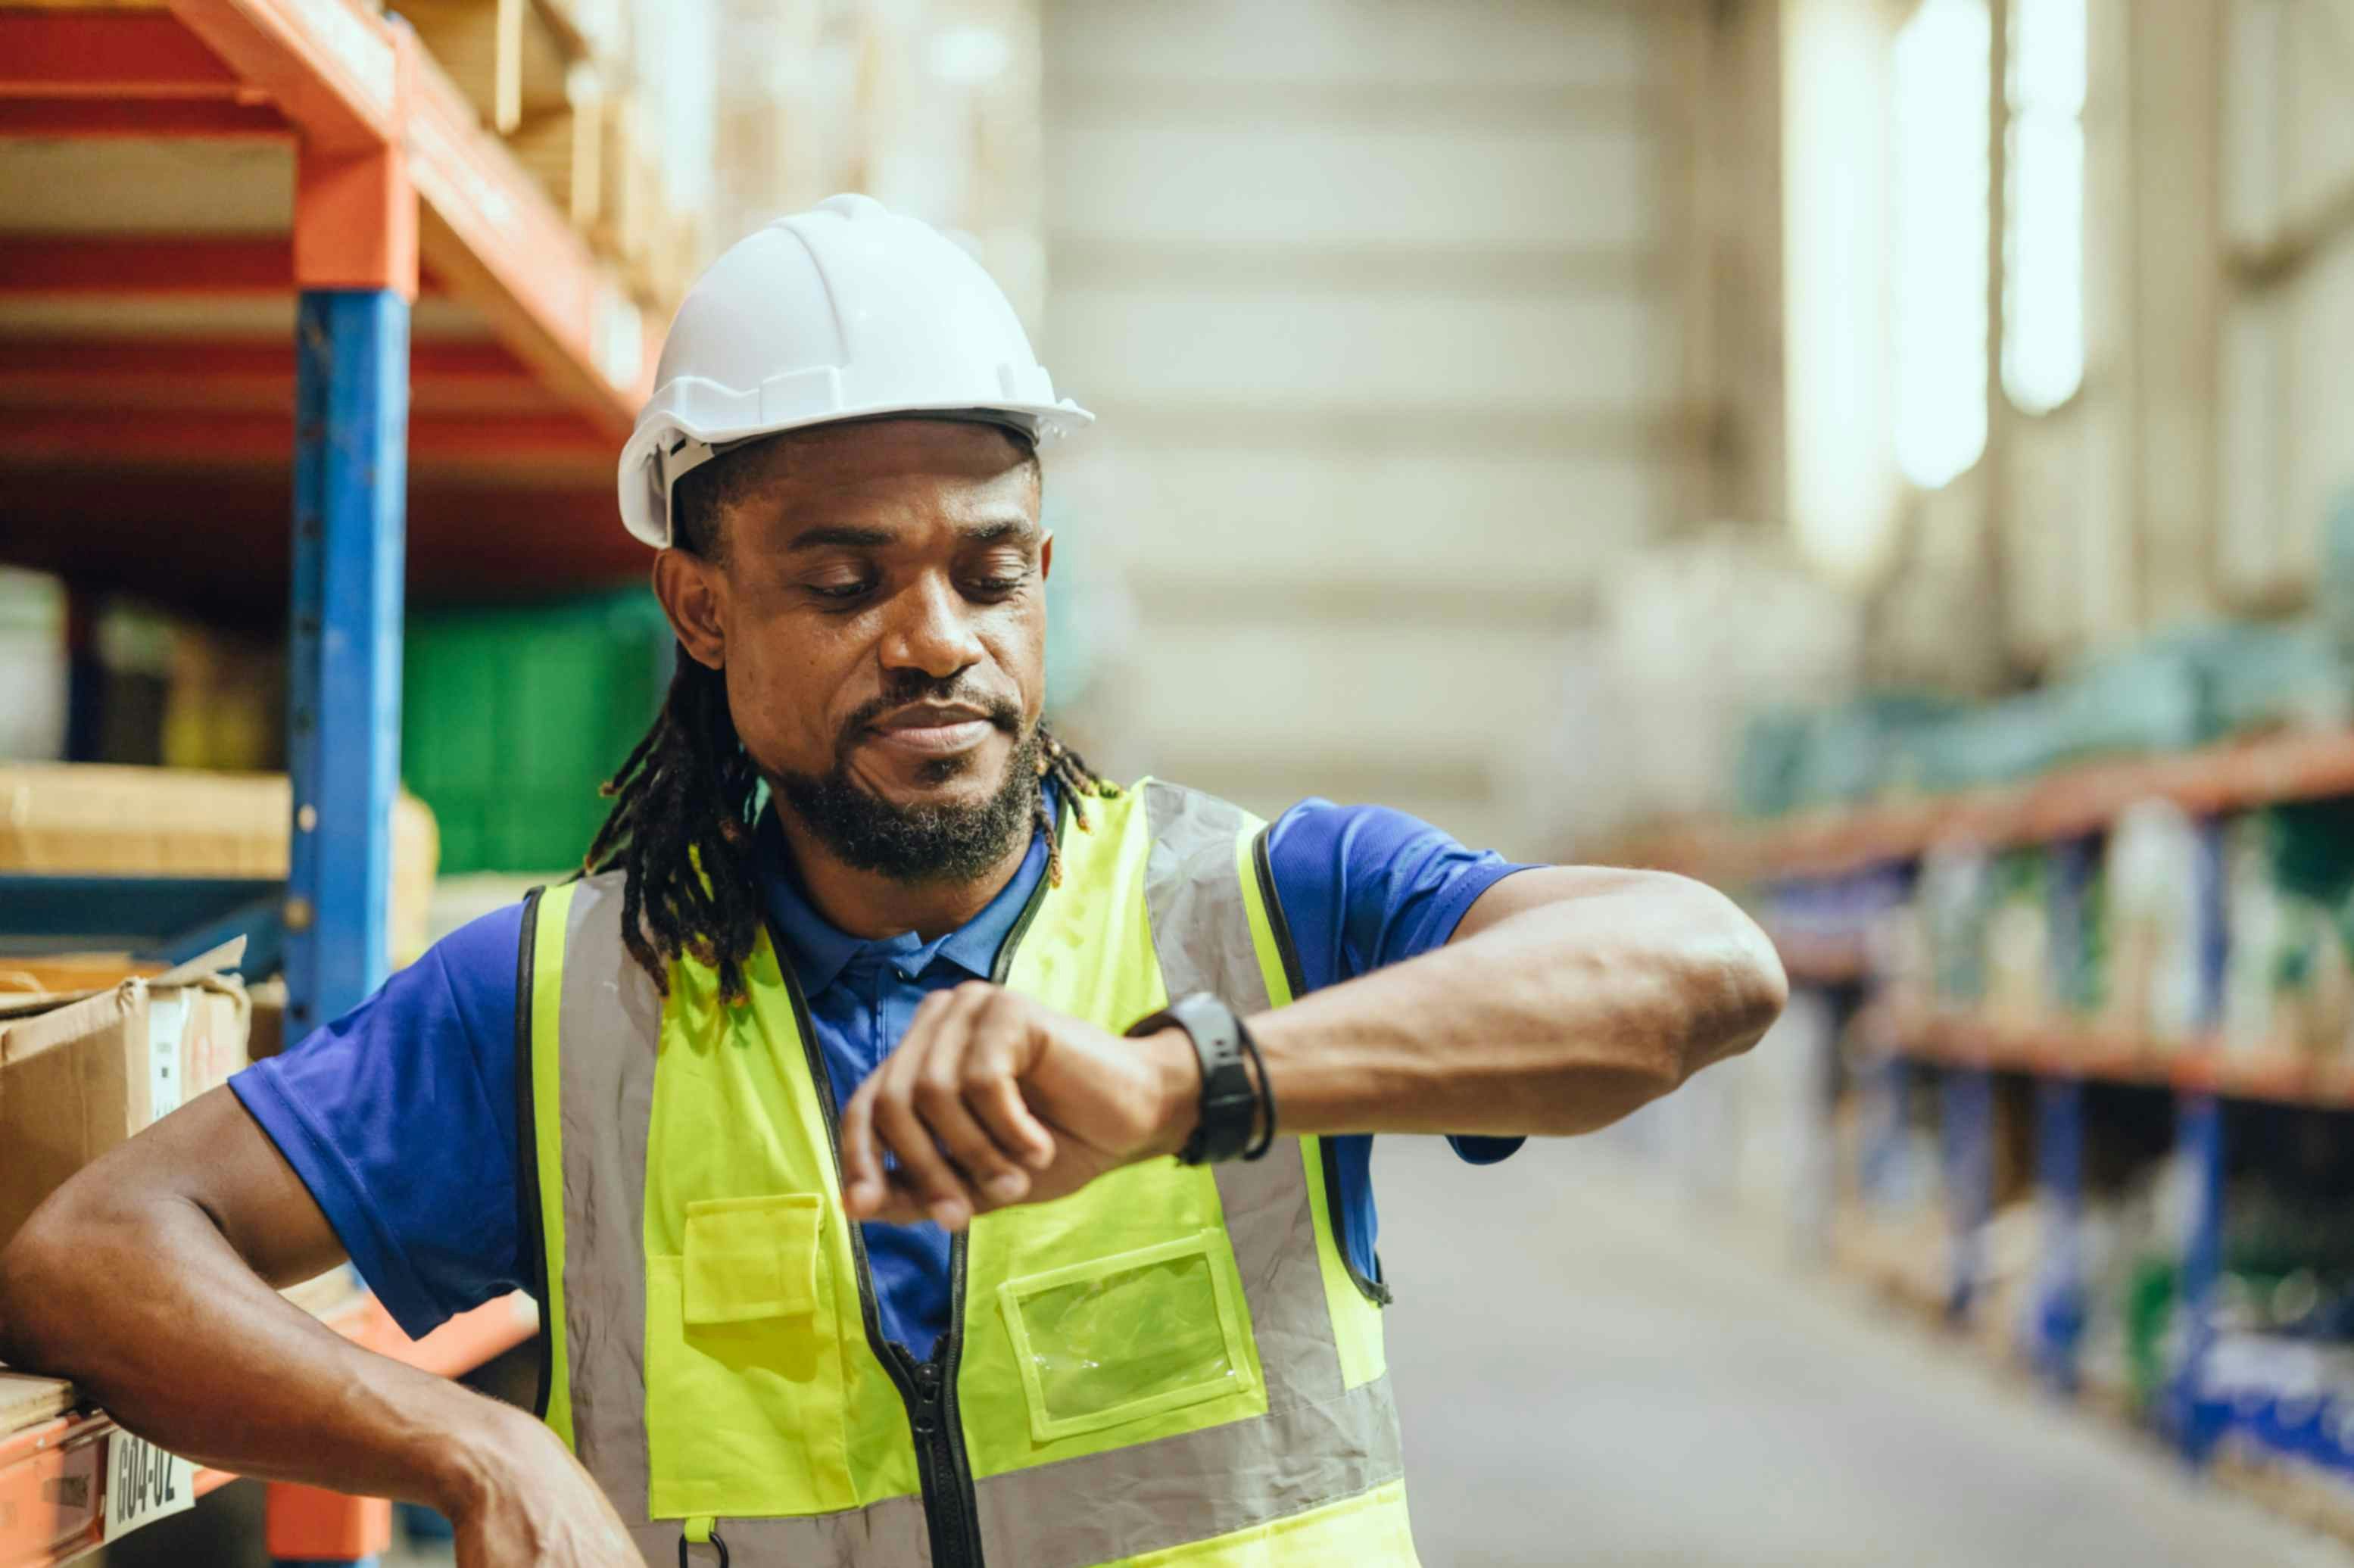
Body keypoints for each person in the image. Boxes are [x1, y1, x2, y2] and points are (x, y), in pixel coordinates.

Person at [0, 195, 1786, 1568]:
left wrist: (1195, 1080)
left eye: (990, 574)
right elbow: (90, 1253)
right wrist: (469, 1446)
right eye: (847, 584)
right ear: (702, 610)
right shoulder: (557, 1007)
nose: (938, 640)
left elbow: (1696, 966)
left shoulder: (1259, 906)